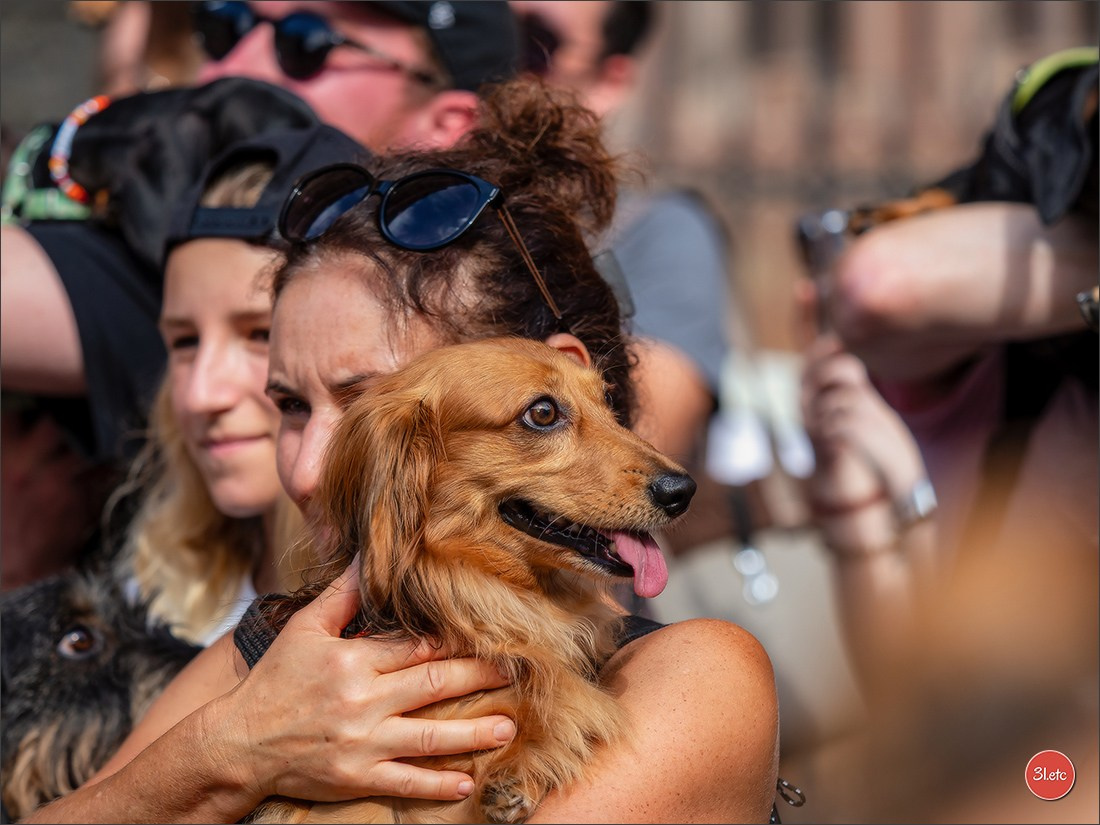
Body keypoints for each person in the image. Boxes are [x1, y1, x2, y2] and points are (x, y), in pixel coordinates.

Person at [23, 76, 780, 825]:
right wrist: (231, 750)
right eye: (288, 405)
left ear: (563, 370)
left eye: (365, 409)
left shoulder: (692, 676)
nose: (310, 468)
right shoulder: (268, 663)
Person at [0, 1, 522, 587]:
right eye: (223, 24)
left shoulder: (502, 290)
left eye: (308, 41)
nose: (235, 64)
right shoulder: (173, 251)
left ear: (447, 124)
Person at [111, 123, 370, 645]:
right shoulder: (154, 579)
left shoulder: (414, 617)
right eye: (184, 342)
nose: (200, 394)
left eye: (259, 334)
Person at [510, 0, 729, 467]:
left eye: (536, 44)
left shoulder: (659, 230)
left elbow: (636, 455)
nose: (498, 59)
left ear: (607, 82)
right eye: (484, 25)